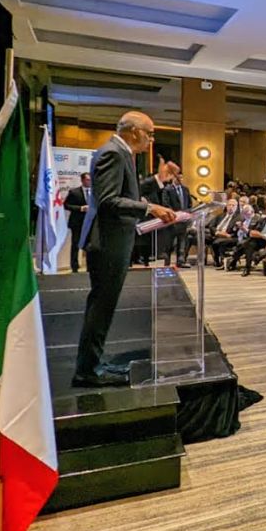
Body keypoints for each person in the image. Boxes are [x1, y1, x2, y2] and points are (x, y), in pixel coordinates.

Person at [75, 112, 175, 388]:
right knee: (101, 307)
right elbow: (108, 200)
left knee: (103, 306)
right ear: (134, 131)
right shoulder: (114, 153)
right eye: (149, 133)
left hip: (113, 240)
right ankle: (88, 370)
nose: (151, 139)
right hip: (108, 242)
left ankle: (92, 363)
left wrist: (157, 180)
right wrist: (149, 207)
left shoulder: (119, 153)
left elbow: (126, 191)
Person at [63, 172, 92, 273]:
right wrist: (80, 208)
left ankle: (90, 267)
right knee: (75, 245)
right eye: (87, 180)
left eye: (90, 180)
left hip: (90, 223)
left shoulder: (94, 192)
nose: (89, 182)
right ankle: (74, 266)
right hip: (77, 223)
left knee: (89, 246)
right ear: (82, 180)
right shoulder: (74, 192)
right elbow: (66, 205)